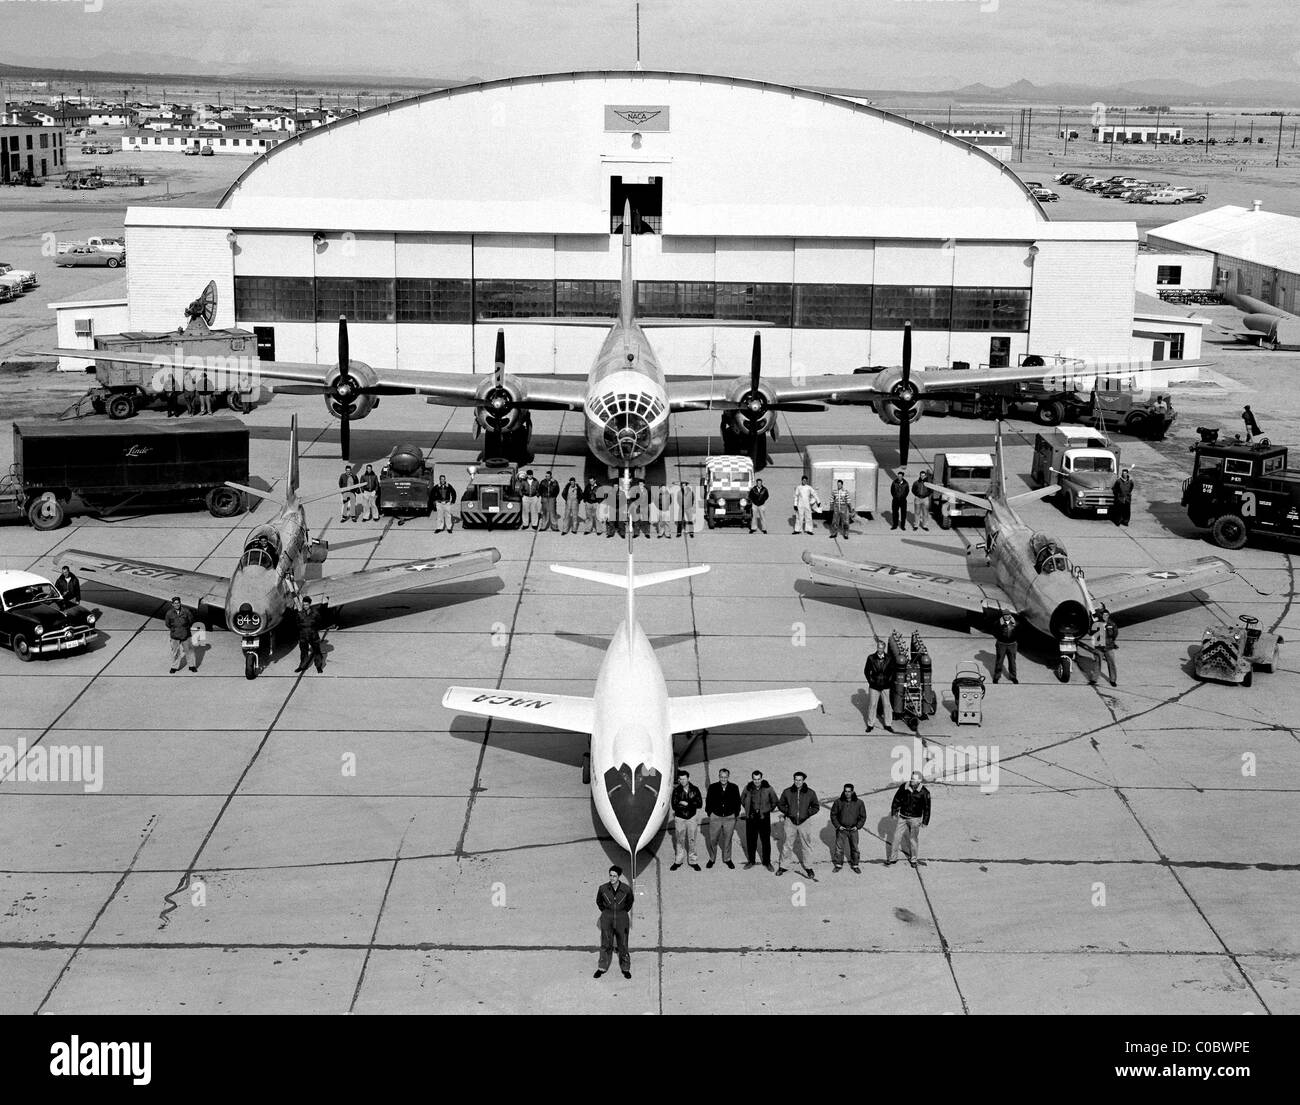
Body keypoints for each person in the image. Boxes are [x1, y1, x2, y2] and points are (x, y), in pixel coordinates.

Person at [776, 772, 820, 879]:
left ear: (803, 780)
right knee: (787, 844)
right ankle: (784, 866)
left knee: (806, 845)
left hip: (805, 822)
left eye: (800, 780)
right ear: (793, 780)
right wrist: (789, 812)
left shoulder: (810, 793)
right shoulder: (787, 792)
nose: (798, 782)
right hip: (790, 821)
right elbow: (780, 804)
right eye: (796, 779)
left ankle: (808, 867)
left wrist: (807, 813)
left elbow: (816, 806)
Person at [593, 865, 633, 980]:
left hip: (622, 918)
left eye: (614, 876)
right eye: (610, 875)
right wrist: (606, 912)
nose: (612, 878)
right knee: (605, 943)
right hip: (607, 917)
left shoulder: (626, 889)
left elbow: (629, 902)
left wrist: (621, 912)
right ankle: (602, 967)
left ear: (619, 876)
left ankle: (625, 968)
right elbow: (599, 901)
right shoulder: (603, 888)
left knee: (623, 944)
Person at [887, 771, 931, 868]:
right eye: (911, 778)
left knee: (913, 840)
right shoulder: (904, 787)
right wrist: (894, 811)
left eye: (914, 780)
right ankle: (893, 858)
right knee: (896, 837)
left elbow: (927, 808)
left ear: (919, 781)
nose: (911, 781)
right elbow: (897, 799)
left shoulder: (924, 792)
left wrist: (925, 821)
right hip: (902, 817)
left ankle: (913, 859)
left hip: (915, 819)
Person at [704, 768, 741, 869]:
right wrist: (710, 813)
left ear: (728, 777)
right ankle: (712, 858)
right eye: (721, 777)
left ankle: (727, 859)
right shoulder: (712, 787)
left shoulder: (734, 787)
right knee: (713, 839)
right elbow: (708, 801)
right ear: (719, 776)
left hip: (729, 818)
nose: (723, 779)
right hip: (715, 817)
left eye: (725, 777)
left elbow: (738, 802)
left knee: (728, 839)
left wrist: (735, 814)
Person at [741, 769, 777, 870]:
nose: (757, 781)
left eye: (758, 779)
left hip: (764, 817)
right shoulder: (747, 788)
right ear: (752, 779)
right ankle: (751, 861)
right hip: (751, 817)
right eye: (754, 779)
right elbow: (742, 799)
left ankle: (767, 862)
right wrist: (748, 809)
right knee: (751, 840)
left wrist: (767, 810)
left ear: (761, 778)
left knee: (765, 841)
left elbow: (774, 801)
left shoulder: (768, 788)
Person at [669, 769, 703, 871]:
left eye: (684, 779)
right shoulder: (676, 791)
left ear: (688, 778)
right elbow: (675, 806)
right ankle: (678, 861)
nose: (682, 781)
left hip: (691, 818)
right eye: (680, 779)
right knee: (679, 840)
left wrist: (686, 803)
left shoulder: (695, 789)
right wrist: (691, 804)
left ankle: (693, 861)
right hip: (680, 818)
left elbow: (700, 804)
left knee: (692, 839)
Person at [830, 783, 866, 873]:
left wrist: (858, 827)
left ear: (853, 792)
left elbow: (863, 816)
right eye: (845, 791)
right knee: (839, 848)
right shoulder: (838, 802)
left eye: (849, 791)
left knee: (855, 848)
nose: (847, 793)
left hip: (853, 830)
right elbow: (833, 815)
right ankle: (838, 865)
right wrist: (838, 826)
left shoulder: (859, 803)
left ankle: (855, 865)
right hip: (842, 830)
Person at [863, 639, 896, 732]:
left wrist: (888, 681)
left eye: (881, 648)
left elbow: (892, 672)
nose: (879, 650)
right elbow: (866, 671)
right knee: (872, 705)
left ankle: (888, 724)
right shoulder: (871, 658)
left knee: (887, 705)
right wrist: (871, 681)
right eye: (878, 648)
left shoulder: (889, 658)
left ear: (884, 648)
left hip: (885, 686)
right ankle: (870, 724)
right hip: (874, 686)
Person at [1087, 605, 1118, 687]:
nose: (1105, 617)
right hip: (1099, 647)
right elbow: (1090, 632)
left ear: (1108, 616)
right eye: (1103, 615)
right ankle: (1094, 679)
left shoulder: (1112, 624)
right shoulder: (1097, 624)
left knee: (1111, 664)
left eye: (1106, 615)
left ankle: (1113, 680)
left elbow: (1114, 634)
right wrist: (1091, 620)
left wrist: (1111, 642)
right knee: (1097, 664)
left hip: (1108, 647)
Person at [164, 596, 196, 673]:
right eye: (175, 603)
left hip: (186, 634)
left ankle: (192, 666)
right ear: (172, 604)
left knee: (189, 651)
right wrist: (174, 629)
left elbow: (191, 620)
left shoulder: (186, 611)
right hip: (175, 636)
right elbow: (167, 624)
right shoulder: (169, 613)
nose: (177, 604)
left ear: (180, 603)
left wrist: (185, 628)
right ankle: (174, 667)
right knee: (175, 652)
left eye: (178, 603)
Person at [295, 595, 325, 673]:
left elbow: (320, 623)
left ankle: (318, 666)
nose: (305, 606)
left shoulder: (315, 613)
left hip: (313, 635)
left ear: (310, 604)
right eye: (304, 605)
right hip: (303, 636)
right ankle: (302, 666)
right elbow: (297, 625)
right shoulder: (300, 614)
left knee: (317, 651)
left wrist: (313, 629)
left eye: (307, 605)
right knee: (303, 652)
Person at [993, 611, 1020, 684]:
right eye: (1005, 615)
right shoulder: (998, 623)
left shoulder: (1016, 623)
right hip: (1001, 644)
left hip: (1012, 645)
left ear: (1010, 615)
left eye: (1007, 615)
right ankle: (996, 676)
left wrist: (1014, 639)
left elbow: (1020, 632)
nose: (1006, 616)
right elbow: (994, 631)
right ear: (1003, 616)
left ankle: (1013, 677)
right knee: (999, 661)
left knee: (1012, 662)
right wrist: (1000, 638)